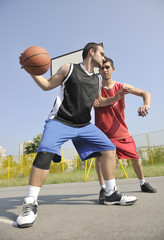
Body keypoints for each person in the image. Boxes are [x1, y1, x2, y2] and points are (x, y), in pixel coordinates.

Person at [16, 43, 137, 228]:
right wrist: (29, 69)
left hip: (84, 125)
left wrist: (117, 96)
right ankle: (30, 203)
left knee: (109, 148)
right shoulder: (69, 68)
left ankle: (111, 194)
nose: (104, 57)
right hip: (60, 121)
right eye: (102, 53)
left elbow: (99, 102)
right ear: (91, 52)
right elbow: (47, 85)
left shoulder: (97, 80)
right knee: (45, 152)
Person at [94, 56, 157, 204]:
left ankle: (142, 183)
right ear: (99, 71)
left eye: (107, 67)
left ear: (113, 69)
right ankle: (103, 188)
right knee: (99, 159)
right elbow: (96, 103)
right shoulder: (95, 88)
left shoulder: (122, 87)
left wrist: (146, 105)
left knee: (135, 157)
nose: (104, 70)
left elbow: (146, 93)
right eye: (102, 68)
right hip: (102, 131)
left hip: (120, 130)